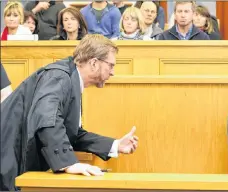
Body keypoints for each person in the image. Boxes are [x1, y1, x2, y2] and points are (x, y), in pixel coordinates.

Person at [0, 34, 139, 191]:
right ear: (94, 63)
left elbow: (71, 133)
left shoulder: (69, 78)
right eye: (111, 65)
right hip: (7, 157)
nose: (112, 72)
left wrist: (115, 145)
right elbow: (46, 119)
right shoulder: (59, 77)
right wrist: (68, 163)